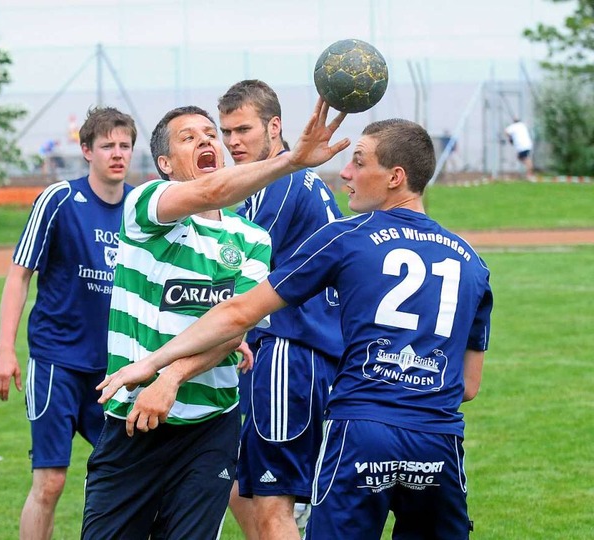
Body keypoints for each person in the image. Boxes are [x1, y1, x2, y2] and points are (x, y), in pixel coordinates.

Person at [98, 118, 494, 539]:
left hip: (363, 433)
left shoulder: (346, 237)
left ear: (395, 177)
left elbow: (238, 314)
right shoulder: (473, 262)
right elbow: (468, 386)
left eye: (358, 163)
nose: (345, 172)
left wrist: (156, 364)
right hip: (438, 442)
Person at [80, 99, 349, 540]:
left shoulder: (250, 237)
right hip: (135, 419)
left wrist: (170, 377)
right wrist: (292, 161)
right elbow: (210, 193)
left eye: (210, 134)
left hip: (210, 427)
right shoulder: (147, 205)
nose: (207, 140)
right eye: (189, 137)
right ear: (164, 164)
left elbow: (233, 323)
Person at [0, 106, 137, 540]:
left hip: (112, 373)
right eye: (107, 145)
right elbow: (19, 275)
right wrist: (4, 350)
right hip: (57, 362)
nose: (117, 154)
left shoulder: (139, 209)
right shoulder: (58, 200)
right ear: (86, 150)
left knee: (124, 477)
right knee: (51, 482)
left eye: (124, 145)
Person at [217, 80, 343, 540]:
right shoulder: (276, 182)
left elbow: (230, 275)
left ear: (275, 126)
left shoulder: (283, 184)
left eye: (243, 130)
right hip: (292, 354)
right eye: (226, 131)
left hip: (290, 354)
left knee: (275, 507)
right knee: (234, 481)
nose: (233, 142)